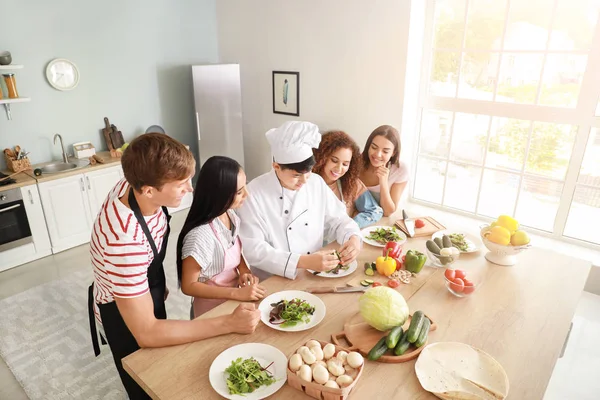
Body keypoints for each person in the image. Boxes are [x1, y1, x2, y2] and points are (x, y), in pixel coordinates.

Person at [87, 133, 260, 399]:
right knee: (145, 382)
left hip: (147, 282)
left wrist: (157, 282)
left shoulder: (138, 179)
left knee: (165, 365)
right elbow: (147, 333)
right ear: (148, 190)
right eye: (181, 184)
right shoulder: (124, 243)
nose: (190, 189)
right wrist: (228, 322)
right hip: (119, 310)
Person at [237, 121, 362, 280]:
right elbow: (254, 250)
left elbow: (339, 219)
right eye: (296, 175)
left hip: (314, 274)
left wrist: (353, 238)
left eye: (308, 172)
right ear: (276, 166)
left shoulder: (315, 182)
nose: (304, 181)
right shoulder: (254, 193)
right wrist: (303, 261)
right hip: (273, 279)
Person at [176, 156, 265, 319]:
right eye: (239, 192)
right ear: (219, 194)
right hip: (211, 311)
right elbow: (188, 286)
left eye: (244, 187)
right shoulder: (200, 236)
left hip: (233, 300)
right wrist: (235, 294)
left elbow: (236, 249)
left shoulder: (230, 215)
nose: (247, 194)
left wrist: (244, 270)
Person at [312, 130, 383, 228]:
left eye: (345, 164)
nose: (339, 168)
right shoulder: (307, 182)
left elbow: (375, 210)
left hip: (341, 241)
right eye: (334, 160)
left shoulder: (352, 184)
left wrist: (350, 226)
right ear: (323, 157)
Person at [359, 125, 409, 216]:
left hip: (380, 221)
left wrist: (383, 182)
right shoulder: (355, 162)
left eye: (385, 151)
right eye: (374, 147)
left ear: (393, 153)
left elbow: (388, 212)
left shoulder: (400, 170)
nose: (378, 154)